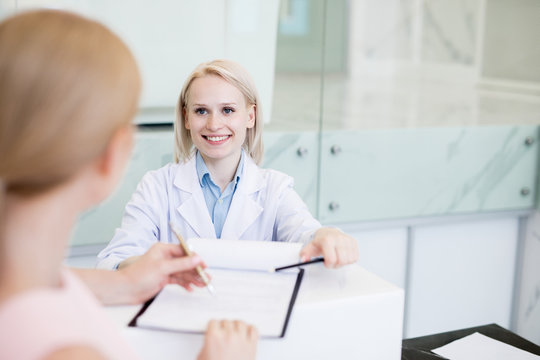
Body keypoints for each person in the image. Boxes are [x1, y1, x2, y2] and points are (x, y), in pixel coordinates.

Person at [0, 9, 257, 360]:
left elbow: (56, 283)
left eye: (228, 110)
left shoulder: (27, 280)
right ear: (111, 155)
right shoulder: (66, 351)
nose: (214, 123)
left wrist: (125, 283)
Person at [97, 59, 359, 272]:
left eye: (228, 110)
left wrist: (328, 235)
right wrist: (158, 264)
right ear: (187, 118)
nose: (213, 124)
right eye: (201, 111)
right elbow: (113, 261)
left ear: (250, 116)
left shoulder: (274, 190)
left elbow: (306, 232)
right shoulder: (157, 186)